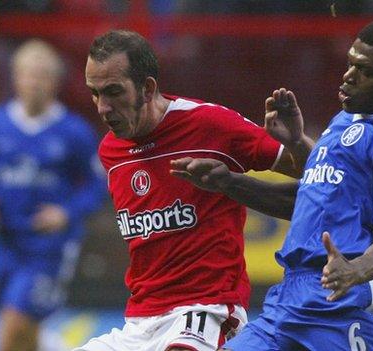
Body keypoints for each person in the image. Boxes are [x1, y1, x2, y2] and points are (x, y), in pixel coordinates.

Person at [170, 18, 373, 350]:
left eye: (366, 71)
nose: (348, 76)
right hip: (288, 301)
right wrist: (230, 180)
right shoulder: (346, 121)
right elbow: (316, 197)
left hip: (343, 304)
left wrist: (354, 271)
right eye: (350, 63)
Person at [78, 30, 311, 351]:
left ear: (147, 88)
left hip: (206, 309)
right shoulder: (110, 152)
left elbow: (321, 170)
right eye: (95, 93)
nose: (103, 108)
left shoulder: (209, 125)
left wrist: (296, 142)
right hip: (139, 322)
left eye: (114, 92)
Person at [0, 39, 107, 351]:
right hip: (6, 244)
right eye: (29, 74)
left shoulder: (73, 131)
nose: (34, 82)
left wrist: (67, 212)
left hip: (49, 249)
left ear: (55, 82)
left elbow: (99, 183)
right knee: (26, 335)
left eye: (43, 75)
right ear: (16, 78)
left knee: (12, 328)